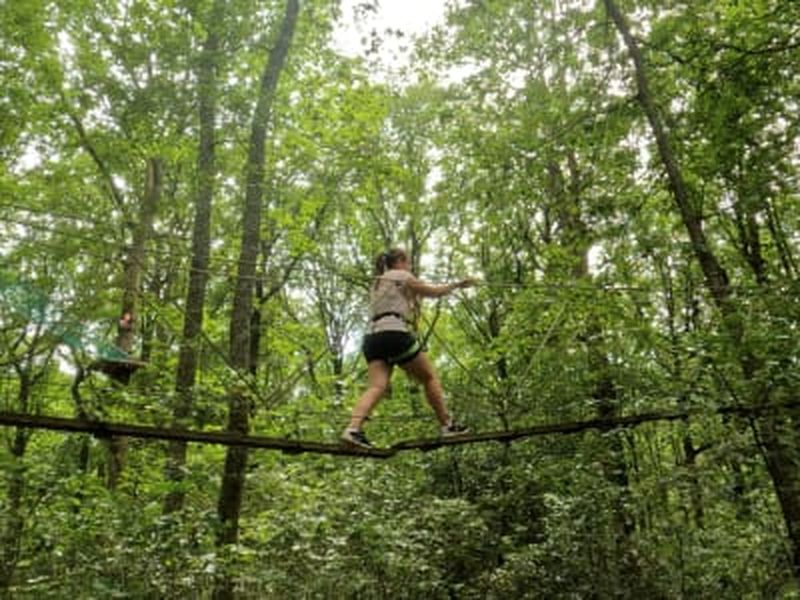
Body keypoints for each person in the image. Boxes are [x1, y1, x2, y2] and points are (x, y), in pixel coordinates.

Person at [342, 248, 475, 448]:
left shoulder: (377, 283)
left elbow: (405, 301)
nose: (410, 267)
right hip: (394, 334)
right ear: (401, 261)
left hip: (372, 338)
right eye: (409, 262)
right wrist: (457, 284)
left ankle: (353, 429)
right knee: (428, 377)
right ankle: (447, 425)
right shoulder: (402, 274)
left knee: (377, 386)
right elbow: (434, 292)